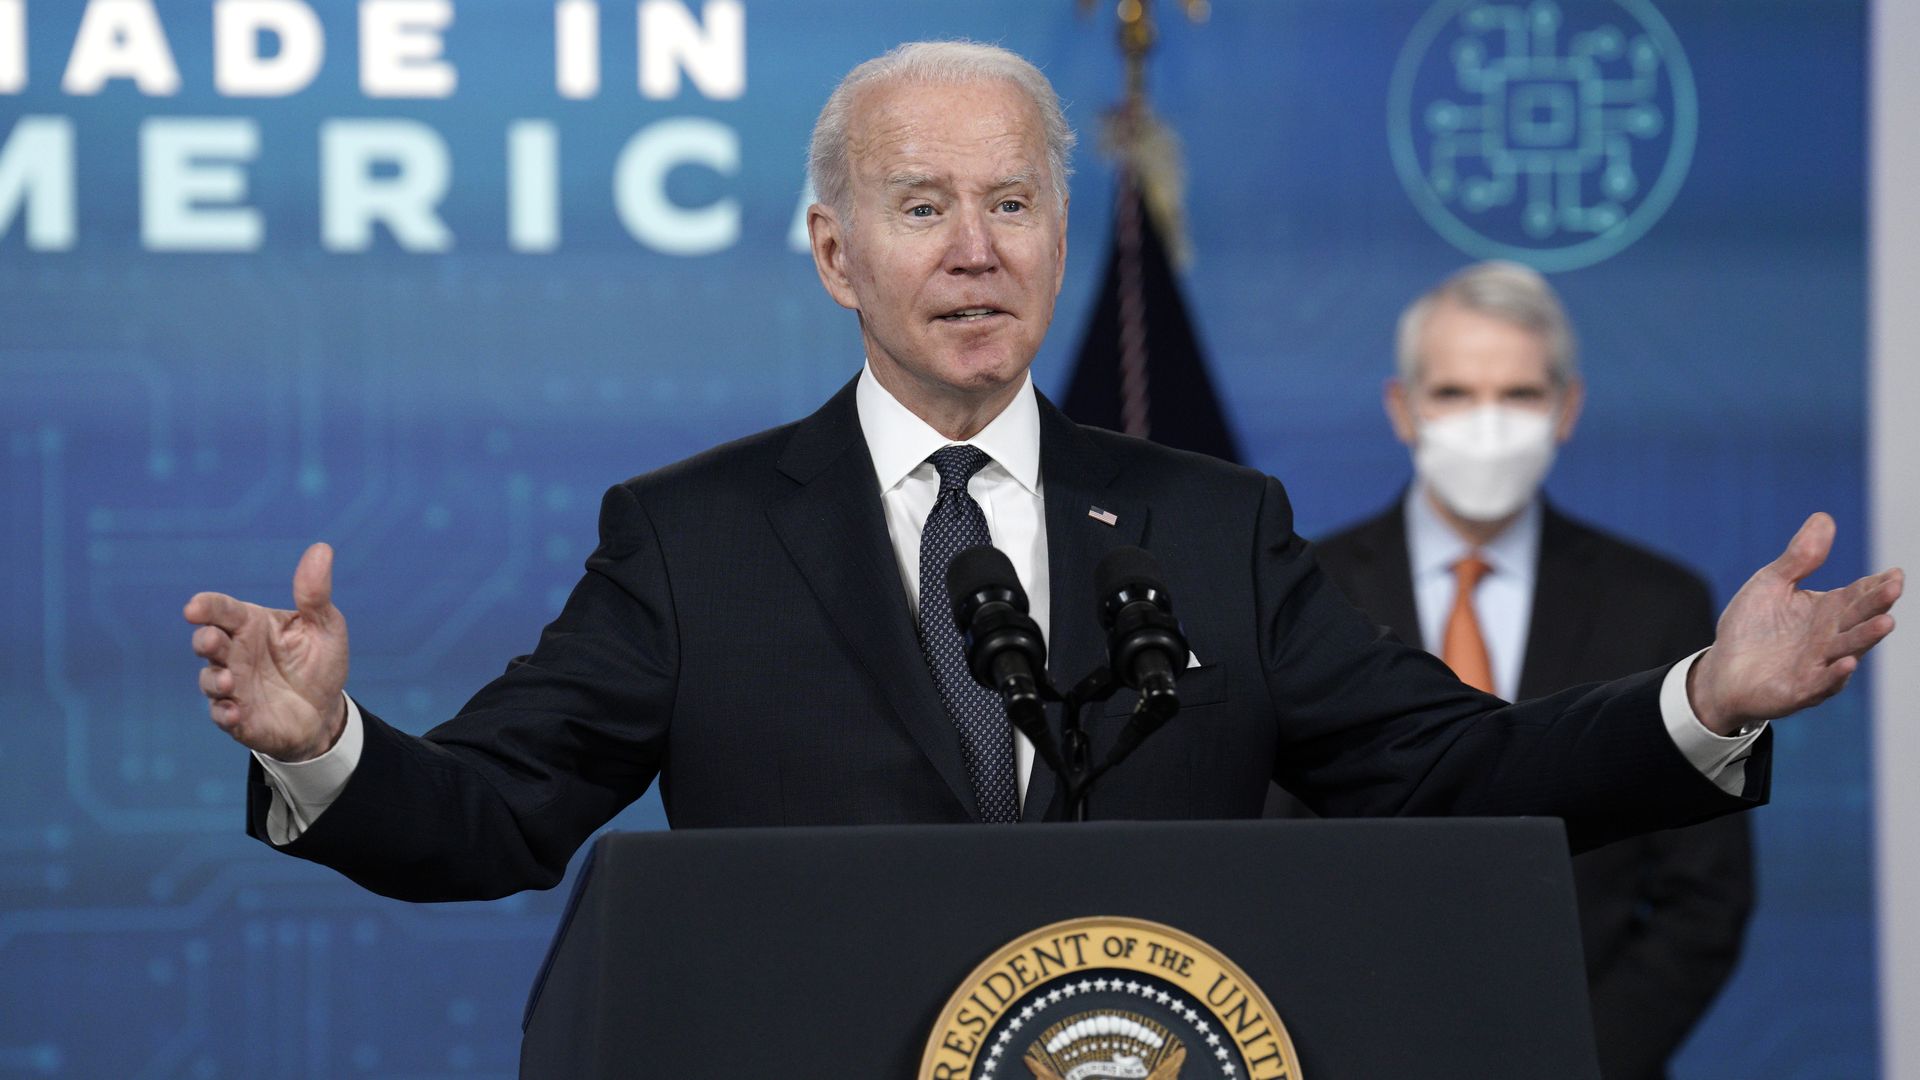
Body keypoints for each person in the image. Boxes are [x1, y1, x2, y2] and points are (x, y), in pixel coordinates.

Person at [183, 42, 1899, 907]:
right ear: (834, 253)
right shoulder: (693, 540)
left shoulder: (1209, 526)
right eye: (922, 207)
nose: (976, 249)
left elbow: (1452, 769)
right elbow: (496, 816)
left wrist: (1704, 700)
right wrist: (325, 744)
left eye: (1013, 203)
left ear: (1064, 233)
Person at [1313, 262, 1751, 1080]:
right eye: (1452, 393)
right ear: (1402, 409)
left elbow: (1705, 897)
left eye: (1518, 394)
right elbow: (1278, 859)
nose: (1488, 424)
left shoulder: (1656, 604)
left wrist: (1576, 1062)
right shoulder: (1306, 592)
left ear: (1567, 407)